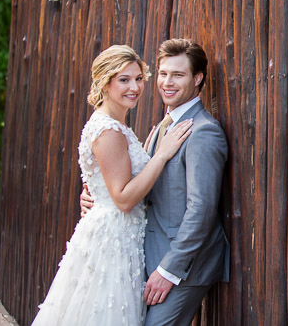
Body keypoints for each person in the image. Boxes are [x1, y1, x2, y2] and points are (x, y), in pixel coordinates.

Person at [32, 45, 193, 326]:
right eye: (124, 80)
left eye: (139, 78)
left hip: (121, 234)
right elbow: (122, 199)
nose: (135, 87)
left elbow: (114, 178)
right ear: (105, 83)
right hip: (113, 240)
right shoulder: (108, 129)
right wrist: (161, 154)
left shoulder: (117, 125)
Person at [82, 38, 229, 326]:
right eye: (163, 74)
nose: (167, 82)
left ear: (198, 79)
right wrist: (98, 198)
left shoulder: (203, 132)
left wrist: (169, 271)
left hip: (184, 266)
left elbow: (200, 210)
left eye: (178, 74)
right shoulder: (163, 128)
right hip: (146, 255)